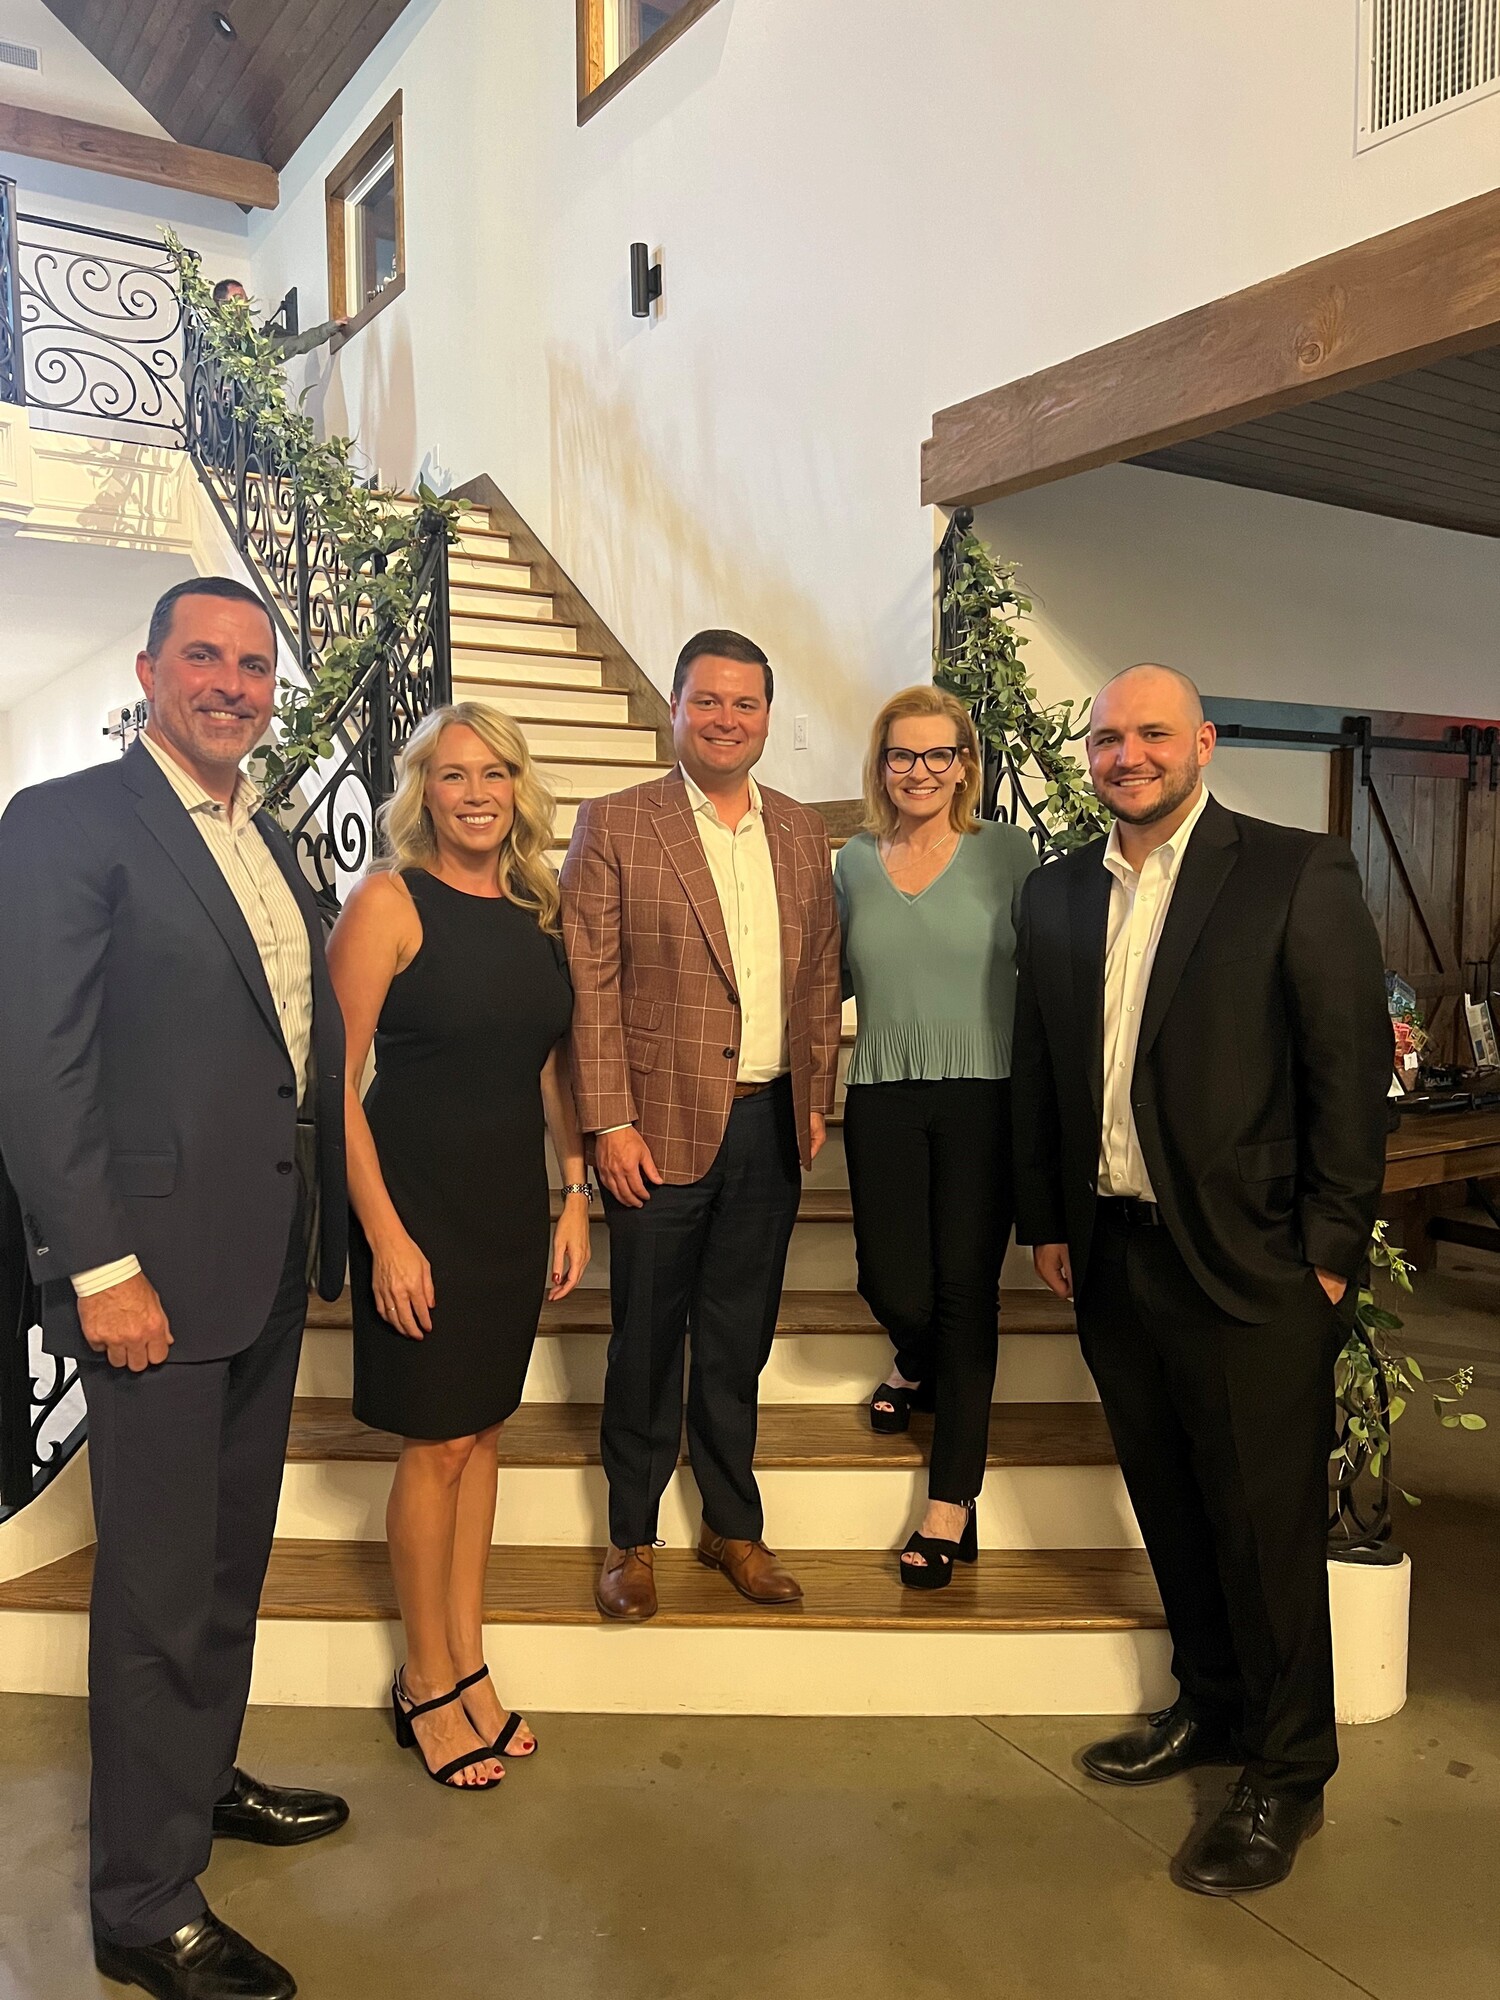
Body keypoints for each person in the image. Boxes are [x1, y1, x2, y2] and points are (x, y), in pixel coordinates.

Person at [0, 577, 350, 2000]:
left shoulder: (267, 837)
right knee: (153, 1591)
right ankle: (143, 1907)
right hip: (144, 1277)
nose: (231, 681)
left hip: (257, 1265)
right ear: (150, 670)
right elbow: (39, 1068)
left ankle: (193, 1785)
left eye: (252, 663)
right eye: (202, 656)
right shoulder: (66, 824)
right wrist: (97, 1266)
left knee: (224, 1564)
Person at [1011, 663, 1391, 1896]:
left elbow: (1348, 1074)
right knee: (1174, 1507)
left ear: (1205, 742)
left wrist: (1329, 1255)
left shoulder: (1294, 871)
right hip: (1115, 1255)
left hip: (1257, 1266)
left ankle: (1288, 1774)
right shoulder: (1061, 892)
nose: (1130, 753)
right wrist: (1051, 1218)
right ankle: (1213, 1707)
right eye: (1109, 735)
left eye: (1153, 732)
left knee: (1266, 1532)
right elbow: (1046, 1072)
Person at [327, 702, 590, 1790]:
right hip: (418, 1202)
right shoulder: (387, 901)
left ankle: (468, 1657)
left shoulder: (538, 905)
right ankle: (425, 1680)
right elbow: (332, 1087)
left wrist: (573, 1193)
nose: (476, 792)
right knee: (433, 1444)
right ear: (422, 791)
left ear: (518, 787)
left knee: (482, 1435)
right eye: (452, 774)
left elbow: (548, 1067)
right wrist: (385, 1236)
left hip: (505, 1210)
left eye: (495, 773)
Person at [561, 630, 842, 1620]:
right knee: (645, 1337)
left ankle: (732, 1522)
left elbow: (816, 976)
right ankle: (630, 1535)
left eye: (746, 703)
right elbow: (587, 982)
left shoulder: (806, 833)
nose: (727, 718)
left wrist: (815, 1095)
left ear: (768, 716)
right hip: (656, 1130)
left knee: (737, 1337)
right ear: (675, 709)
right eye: (708, 700)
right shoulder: (616, 822)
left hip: (769, 1126)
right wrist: (609, 1121)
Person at [835, 686, 1036, 1586]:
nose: (919, 772)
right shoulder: (850, 864)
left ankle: (951, 1500)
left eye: (938, 755)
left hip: (984, 1097)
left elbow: (1052, 977)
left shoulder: (1010, 855)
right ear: (881, 765)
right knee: (890, 1281)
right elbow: (815, 982)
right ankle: (913, 1361)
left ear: (965, 763)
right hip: (881, 1089)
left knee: (965, 1295)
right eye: (901, 756)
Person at [212, 277, 347, 360]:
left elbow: (296, 344)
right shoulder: (210, 340)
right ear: (222, 304)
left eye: (246, 299)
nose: (245, 304)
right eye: (238, 298)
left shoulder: (254, 344)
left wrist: (329, 328)